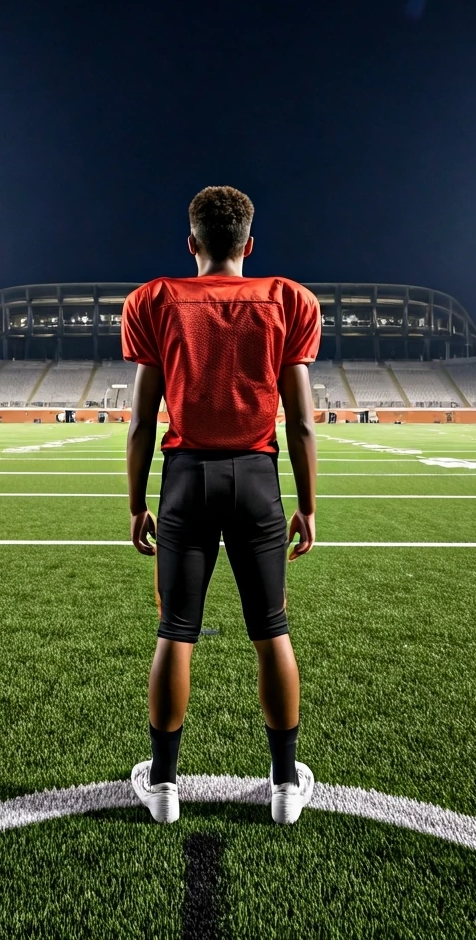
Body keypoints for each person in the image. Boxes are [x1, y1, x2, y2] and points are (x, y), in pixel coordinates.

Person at [121, 185, 320, 826]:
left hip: (184, 478)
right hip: (258, 479)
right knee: (272, 630)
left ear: (192, 243)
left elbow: (140, 423)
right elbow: (302, 425)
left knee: (176, 633)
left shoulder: (154, 300)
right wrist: (308, 506)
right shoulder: (287, 299)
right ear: (248, 245)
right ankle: (286, 785)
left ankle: (163, 786)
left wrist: (134, 504)